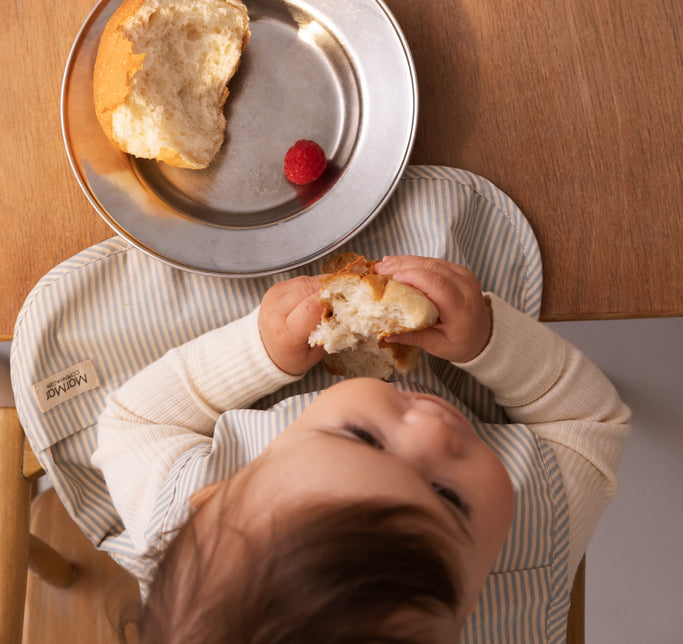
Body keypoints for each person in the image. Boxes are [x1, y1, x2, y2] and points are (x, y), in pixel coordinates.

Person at [93, 255, 630, 643]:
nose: (432, 430)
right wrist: (488, 341)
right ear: (468, 612)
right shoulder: (534, 540)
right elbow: (588, 422)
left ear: (211, 500)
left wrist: (261, 352)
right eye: (450, 499)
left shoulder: (193, 526)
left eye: (362, 438)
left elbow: (136, 421)